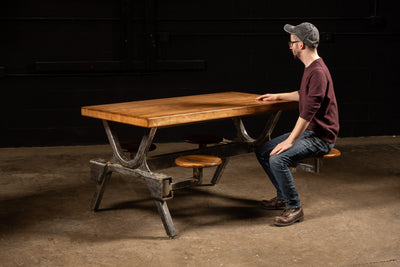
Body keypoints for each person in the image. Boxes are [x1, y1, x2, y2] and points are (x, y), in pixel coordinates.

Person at [255, 22, 339, 226]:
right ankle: (283, 197)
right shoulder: (312, 67)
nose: (289, 46)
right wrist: (277, 96)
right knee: (264, 150)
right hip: (311, 131)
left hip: (321, 136)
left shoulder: (317, 71)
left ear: (301, 45)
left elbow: (308, 113)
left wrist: (290, 141)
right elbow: (304, 95)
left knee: (277, 158)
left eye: (291, 43)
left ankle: (294, 207)